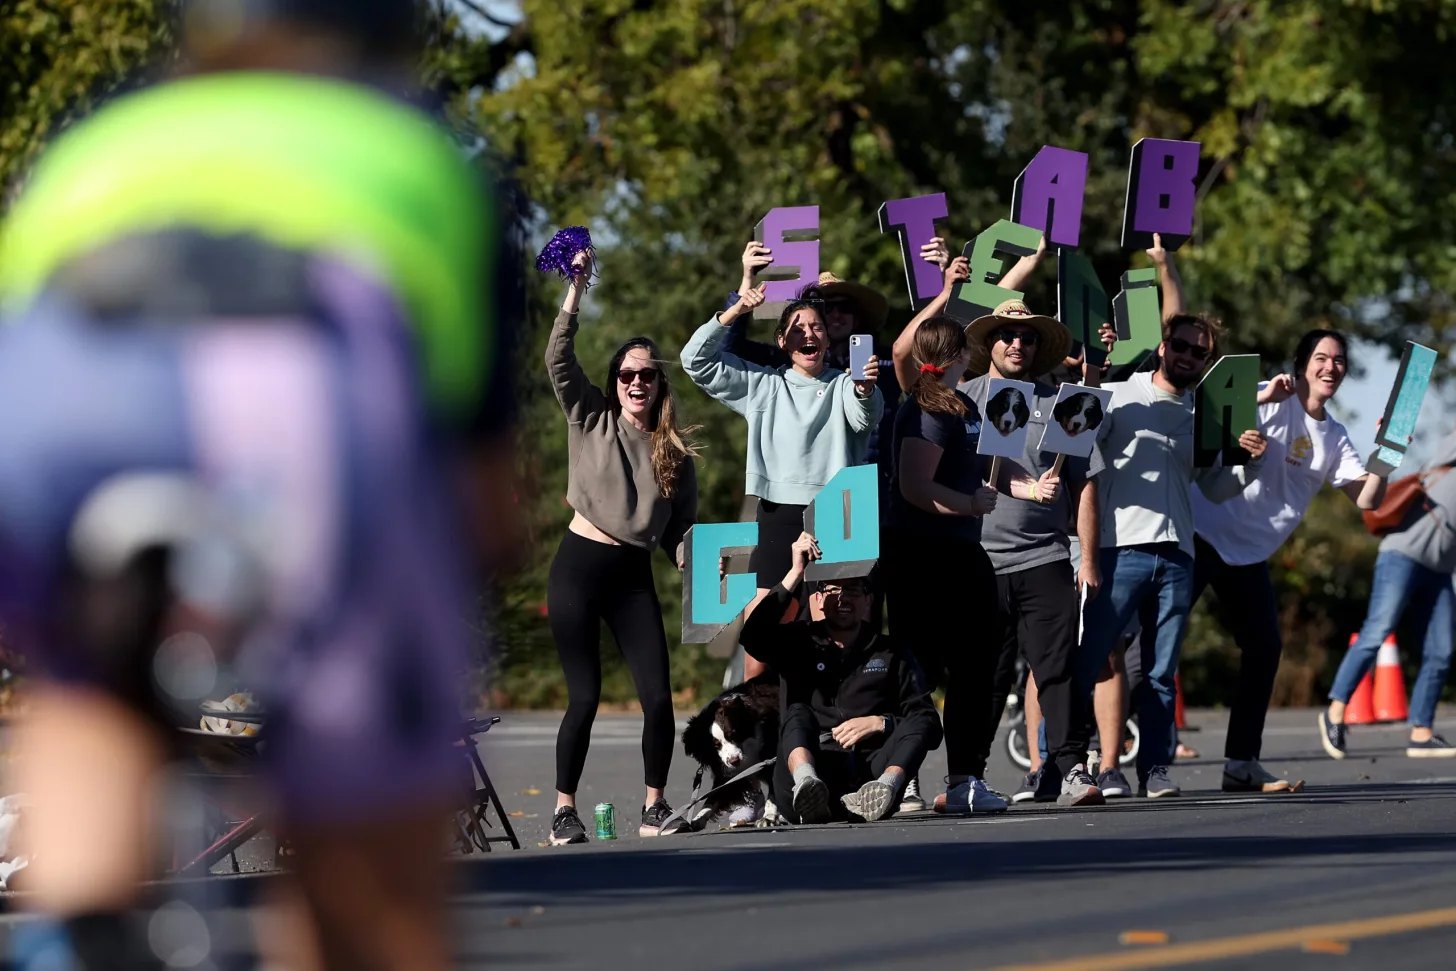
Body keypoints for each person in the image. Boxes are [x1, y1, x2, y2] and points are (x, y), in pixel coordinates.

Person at [0, 3, 518, 969]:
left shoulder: (95, 140)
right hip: (299, 391)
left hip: (55, 403)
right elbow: (479, 504)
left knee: (84, 682)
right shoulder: (420, 157)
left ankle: (76, 925)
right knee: (364, 830)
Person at [939, 239, 1117, 807]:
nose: (1017, 343)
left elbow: (1083, 483)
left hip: (1044, 557)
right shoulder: (959, 400)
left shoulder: (1063, 403)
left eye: (1028, 337)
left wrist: (1086, 559)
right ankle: (964, 777)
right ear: (988, 344)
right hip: (975, 562)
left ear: (1040, 347)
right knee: (978, 678)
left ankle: (1070, 770)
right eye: (1007, 335)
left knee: (1057, 668)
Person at [885, 259, 1060, 814]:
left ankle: (964, 780)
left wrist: (1031, 491)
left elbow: (996, 464)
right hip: (922, 555)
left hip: (965, 553)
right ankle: (898, 775)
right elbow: (915, 486)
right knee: (918, 666)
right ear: (958, 355)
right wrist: (966, 503)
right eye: (967, 348)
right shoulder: (924, 409)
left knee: (976, 668)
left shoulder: (963, 404)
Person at [1181, 329, 1386, 788]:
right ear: (1300, 362)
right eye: (1321, 357)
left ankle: (1241, 763)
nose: (1330, 367)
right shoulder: (1274, 399)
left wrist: (1388, 454)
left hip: (1250, 553)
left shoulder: (1334, 436)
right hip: (1201, 531)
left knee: (1264, 648)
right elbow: (1214, 405)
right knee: (1156, 643)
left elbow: (1368, 499)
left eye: (1338, 360)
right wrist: (1263, 392)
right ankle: (1104, 751)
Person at [1076, 312, 1269, 798]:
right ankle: (1072, 764)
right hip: (1119, 548)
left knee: (1162, 673)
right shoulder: (1120, 396)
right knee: (1092, 661)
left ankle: (1155, 769)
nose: (1187, 355)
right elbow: (1077, 449)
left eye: (1198, 352)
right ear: (1163, 346)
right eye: (1180, 345)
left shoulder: (1204, 414)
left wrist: (1249, 460)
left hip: (1178, 554)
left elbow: (1217, 488)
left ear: (1206, 361)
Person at [545, 253, 699, 843]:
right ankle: (564, 811)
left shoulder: (675, 453)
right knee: (584, 696)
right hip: (580, 568)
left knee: (659, 698)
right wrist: (576, 289)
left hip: (634, 577)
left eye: (647, 376)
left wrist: (707, 567)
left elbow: (681, 532)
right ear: (615, 383)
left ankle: (654, 806)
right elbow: (558, 360)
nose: (637, 383)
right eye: (628, 375)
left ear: (660, 385)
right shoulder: (592, 418)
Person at [681, 276, 884, 679]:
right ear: (781, 342)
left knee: (830, 631)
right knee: (764, 633)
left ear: (828, 339)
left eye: (817, 328)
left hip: (838, 511)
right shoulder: (764, 385)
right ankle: (754, 720)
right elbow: (695, 361)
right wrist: (736, 310)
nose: (809, 334)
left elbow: (865, 416)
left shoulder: (845, 383)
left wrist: (864, 389)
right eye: (798, 329)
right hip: (779, 513)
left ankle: (820, 725)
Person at [740, 533, 943, 823]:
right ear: (819, 599)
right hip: (804, 774)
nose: (843, 598)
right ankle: (808, 785)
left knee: (919, 719)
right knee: (797, 711)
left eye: (853, 590)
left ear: (868, 600)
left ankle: (885, 789)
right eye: (834, 590)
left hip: (866, 775)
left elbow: (930, 725)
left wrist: (881, 723)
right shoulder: (798, 642)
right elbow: (753, 637)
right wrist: (796, 572)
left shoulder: (890, 651)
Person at [1320, 429, 1456, 760]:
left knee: (1442, 648)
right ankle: (1335, 711)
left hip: (1439, 568)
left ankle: (1421, 733)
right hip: (1402, 554)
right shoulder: (1449, 454)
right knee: (1378, 630)